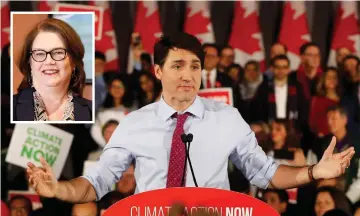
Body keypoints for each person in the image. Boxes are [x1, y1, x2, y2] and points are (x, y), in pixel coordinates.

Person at [27, 32, 355, 204]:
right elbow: (97, 183)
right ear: (157, 71)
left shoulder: (227, 118)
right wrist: (59, 190)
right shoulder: (134, 123)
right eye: (178, 65)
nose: (188, 75)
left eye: (195, 66)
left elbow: (265, 174)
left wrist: (313, 171)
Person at [13, 18, 92, 121]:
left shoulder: (91, 111)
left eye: (58, 52)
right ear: (29, 63)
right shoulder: (7, 108)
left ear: (73, 62)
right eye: (40, 54)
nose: (49, 61)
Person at [309, 106, 360, 203]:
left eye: (333, 118)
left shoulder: (356, 144)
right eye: (328, 118)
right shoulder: (320, 144)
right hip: (323, 195)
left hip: (348, 197)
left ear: (344, 120)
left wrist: (346, 199)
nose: (329, 122)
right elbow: (311, 167)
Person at [91, 75, 133, 147]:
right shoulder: (102, 110)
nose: (117, 89)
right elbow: (95, 129)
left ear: (125, 89)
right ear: (109, 89)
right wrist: (106, 145)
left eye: (120, 86)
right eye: (114, 86)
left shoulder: (132, 108)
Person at [309, 68, 342, 137]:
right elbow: (313, 123)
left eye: (334, 77)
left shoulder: (345, 99)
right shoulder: (317, 100)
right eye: (328, 77)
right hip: (324, 138)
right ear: (323, 80)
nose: (331, 80)